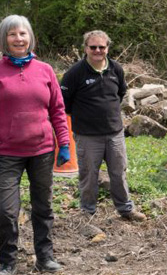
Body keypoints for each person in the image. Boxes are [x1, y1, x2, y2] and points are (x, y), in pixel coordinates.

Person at [0, 15, 71, 275]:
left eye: (23, 34)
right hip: (6, 154)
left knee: (43, 206)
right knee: (5, 211)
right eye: (12, 35)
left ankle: (45, 256)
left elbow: (57, 110)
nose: (18, 39)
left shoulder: (45, 70)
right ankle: (8, 262)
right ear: (4, 39)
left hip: (41, 150)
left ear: (30, 37)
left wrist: (63, 143)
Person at [60, 30, 145, 221]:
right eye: (93, 47)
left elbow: (120, 93)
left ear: (107, 48)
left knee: (118, 172)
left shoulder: (116, 69)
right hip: (87, 136)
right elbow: (64, 102)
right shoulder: (75, 73)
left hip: (115, 133)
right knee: (89, 175)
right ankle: (87, 211)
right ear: (85, 48)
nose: (97, 50)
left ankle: (126, 209)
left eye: (102, 47)